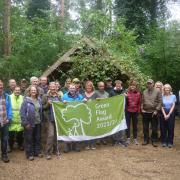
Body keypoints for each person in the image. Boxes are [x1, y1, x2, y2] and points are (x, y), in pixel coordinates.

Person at [20, 85, 43, 161]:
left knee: (37, 138)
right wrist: (25, 123)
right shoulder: (26, 101)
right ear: (29, 92)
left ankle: (37, 152)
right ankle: (29, 154)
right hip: (29, 123)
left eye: (35, 90)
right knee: (29, 139)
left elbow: (40, 111)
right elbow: (22, 113)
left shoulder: (39, 100)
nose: (34, 91)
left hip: (38, 122)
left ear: (37, 91)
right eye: (32, 90)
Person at [62, 83, 84, 153]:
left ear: (75, 89)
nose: (72, 89)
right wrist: (63, 102)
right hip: (68, 116)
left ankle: (76, 145)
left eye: (73, 88)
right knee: (68, 130)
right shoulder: (64, 96)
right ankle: (67, 146)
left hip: (77, 116)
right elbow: (60, 105)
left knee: (77, 130)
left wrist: (85, 100)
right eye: (70, 88)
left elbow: (84, 102)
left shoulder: (80, 96)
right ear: (68, 89)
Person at [42, 82, 61, 160]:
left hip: (57, 118)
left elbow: (62, 106)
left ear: (56, 87)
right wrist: (47, 104)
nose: (53, 88)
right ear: (49, 87)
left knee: (57, 135)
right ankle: (47, 152)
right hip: (49, 119)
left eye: (54, 87)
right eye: (51, 87)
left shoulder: (59, 96)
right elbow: (42, 107)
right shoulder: (45, 96)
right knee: (51, 135)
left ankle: (55, 150)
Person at [141, 79, 162, 147]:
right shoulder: (144, 91)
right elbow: (142, 101)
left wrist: (156, 110)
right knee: (145, 127)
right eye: (148, 83)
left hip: (154, 112)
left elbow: (160, 102)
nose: (149, 85)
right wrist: (142, 109)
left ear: (153, 84)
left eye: (150, 83)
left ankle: (154, 140)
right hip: (145, 112)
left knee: (154, 128)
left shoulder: (158, 91)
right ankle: (146, 140)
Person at [109, 80, 127, 147]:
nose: (118, 86)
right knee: (115, 125)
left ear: (121, 85)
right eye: (117, 85)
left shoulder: (124, 91)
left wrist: (126, 97)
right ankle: (115, 140)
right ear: (115, 85)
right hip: (114, 111)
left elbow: (127, 101)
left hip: (122, 111)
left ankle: (121, 140)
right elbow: (109, 101)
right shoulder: (111, 92)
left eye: (119, 85)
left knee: (122, 125)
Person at [83, 81, 98, 150]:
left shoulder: (95, 94)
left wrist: (99, 100)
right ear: (85, 87)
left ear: (92, 87)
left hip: (93, 113)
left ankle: (93, 144)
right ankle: (87, 144)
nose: (88, 87)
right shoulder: (83, 94)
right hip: (85, 114)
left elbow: (101, 101)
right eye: (87, 86)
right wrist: (82, 100)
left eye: (90, 86)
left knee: (93, 129)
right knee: (86, 129)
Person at [125, 80, 141, 145]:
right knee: (127, 126)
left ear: (136, 86)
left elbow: (139, 103)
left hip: (135, 111)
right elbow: (124, 102)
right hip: (128, 111)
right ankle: (128, 138)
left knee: (135, 126)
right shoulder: (126, 93)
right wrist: (125, 97)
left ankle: (135, 139)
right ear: (129, 86)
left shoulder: (138, 93)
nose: (132, 86)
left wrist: (138, 111)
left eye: (134, 85)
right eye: (131, 85)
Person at [0, 80, 12, 163]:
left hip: (5, 121)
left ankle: (4, 155)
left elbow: (9, 108)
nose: (0, 87)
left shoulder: (7, 96)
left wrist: (9, 118)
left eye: (1, 85)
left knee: (4, 139)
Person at [9, 86, 24, 152]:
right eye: (16, 90)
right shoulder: (9, 97)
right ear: (13, 90)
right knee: (10, 135)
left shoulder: (22, 97)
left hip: (20, 119)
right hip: (11, 119)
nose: (17, 91)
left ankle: (20, 145)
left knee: (20, 135)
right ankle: (10, 146)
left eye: (18, 90)